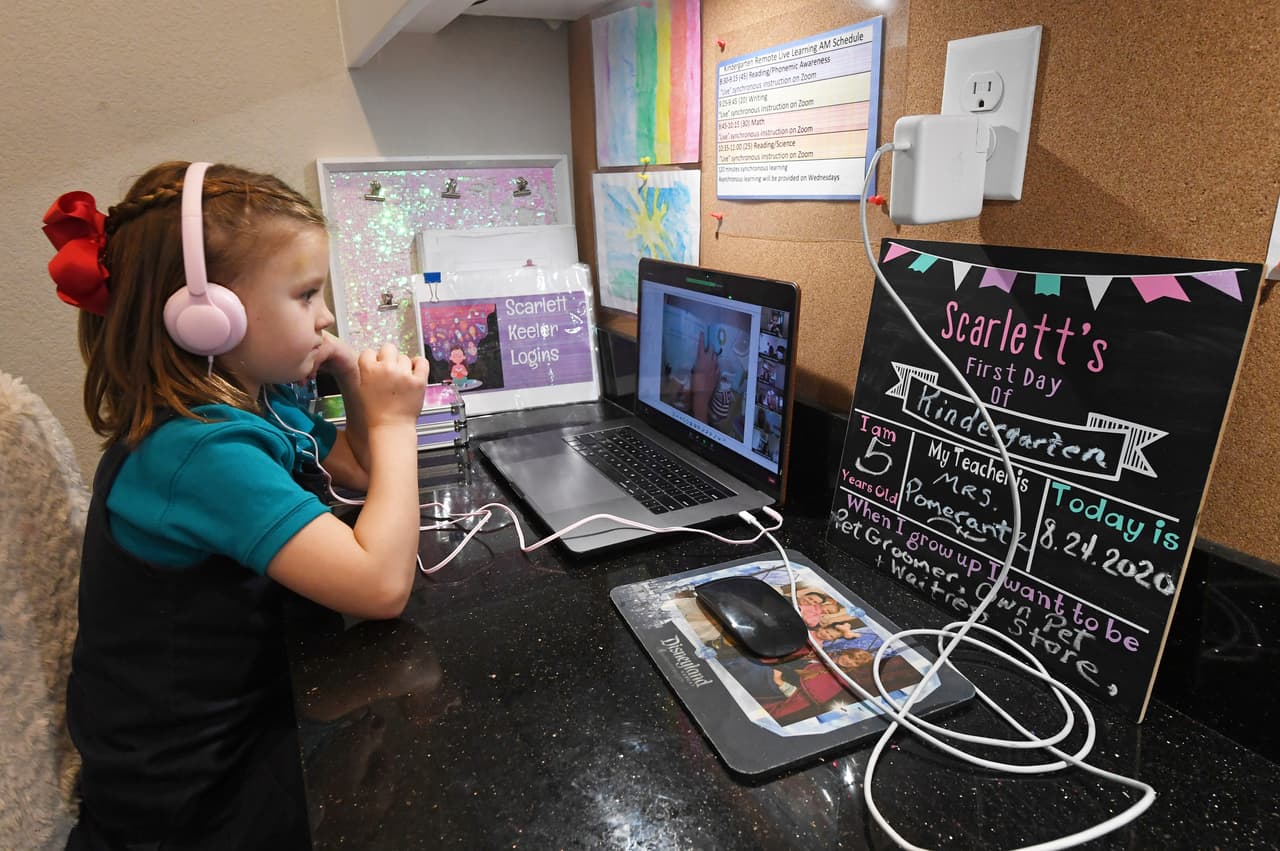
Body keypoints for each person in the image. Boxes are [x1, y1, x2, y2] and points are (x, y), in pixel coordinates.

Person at [45, 161, 429, 849]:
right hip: (189, 794)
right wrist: (399, 423)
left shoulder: (259, 396)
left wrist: (343, 378)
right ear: (206, 317)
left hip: (243, 717)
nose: (327, 315)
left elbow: (358, 467)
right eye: (306, 294)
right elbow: (380, 585)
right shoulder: (196, 452)